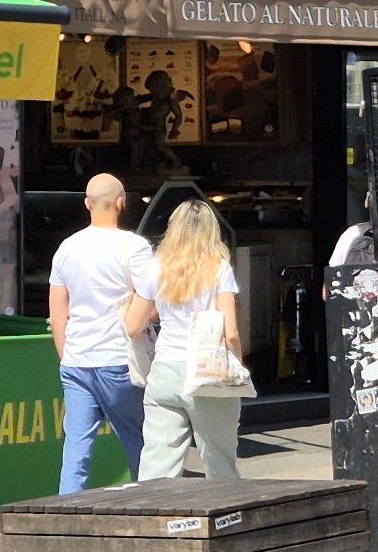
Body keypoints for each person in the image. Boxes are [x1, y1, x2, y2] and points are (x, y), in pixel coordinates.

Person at [48, 174, 155, 492]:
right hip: (119, 361)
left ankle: (65, 519)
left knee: (76, 451)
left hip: (77, 363)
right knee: (140, 441)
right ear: (122, 203)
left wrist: (66, 356)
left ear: (87, 204)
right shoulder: (135, 247)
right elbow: (153, 305)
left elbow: (57, 311)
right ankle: (152, 508)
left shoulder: (67, 249)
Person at [125, 199, 243, 482]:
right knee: (220, 464)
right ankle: (224, 522)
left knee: (157, 465)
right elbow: (231, 332)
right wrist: (237, 365)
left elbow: (132, 325)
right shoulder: (219, 269)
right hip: (208, 372)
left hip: (165, 371)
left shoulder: (156, 267)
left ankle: (151, 521)